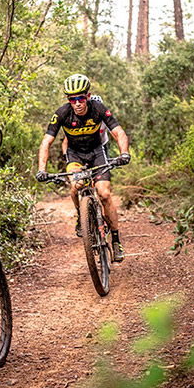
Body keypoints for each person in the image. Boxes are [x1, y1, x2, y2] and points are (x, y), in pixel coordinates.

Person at [35, 73, 130, 262]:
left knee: (104, 194)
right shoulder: (62, 113)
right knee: (76, 186)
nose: (77, 103)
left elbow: (118, 132)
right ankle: (82, 216)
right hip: (75, 154)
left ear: (88, 96)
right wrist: (42, 169)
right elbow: (46, 142)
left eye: (81, 98)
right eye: (72, 99)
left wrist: (124, 153)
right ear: (68, 100)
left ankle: (116, 240)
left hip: (97, 152)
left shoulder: (98, 109)